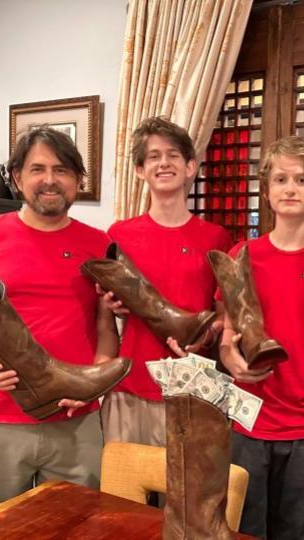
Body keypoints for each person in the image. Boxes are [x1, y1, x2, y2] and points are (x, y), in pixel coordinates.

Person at [0, 127, 119, 516]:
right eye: (38, 169)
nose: (50, 180)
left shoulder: (99, 245)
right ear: (17, 177)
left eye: (62, 170)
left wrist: (93, 384)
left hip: (75, 422)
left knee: (77, 529)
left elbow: (106, 330)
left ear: (78, 181)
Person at [218, 136, 304, 540]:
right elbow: (227, 335)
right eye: (280, 179)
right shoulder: (241, 254)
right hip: (246, 426)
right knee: (241, 532)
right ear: (266, 191)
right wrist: (231, 358)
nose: (290, 188)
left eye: (301, 179)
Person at [99, 116, 231, 447]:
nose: (164, 163)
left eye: (173, 155)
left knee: (187, 497)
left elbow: (224, 313)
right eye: (154, 156)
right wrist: (110, 306)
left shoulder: (217, 237)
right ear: (140, 170)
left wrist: (204, 337)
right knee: (123, 495)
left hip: (194, 384)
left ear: (190, 166)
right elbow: (103, 311)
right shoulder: (119, 234)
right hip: (130, 385)